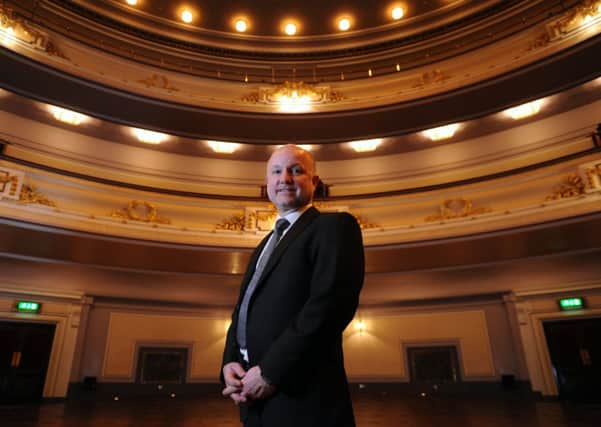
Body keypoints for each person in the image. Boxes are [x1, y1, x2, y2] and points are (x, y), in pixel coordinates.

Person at [221, 144, 365, 427]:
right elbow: (243, 309)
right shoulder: (263, 244)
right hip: (252, 398)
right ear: (267, 184)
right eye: (276, 171)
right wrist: (230, 362)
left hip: (305, 399)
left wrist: (270, 372)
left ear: (314, 182)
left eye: (296, 171)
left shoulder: (335, 226)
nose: (284, 178)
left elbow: (330, 305)